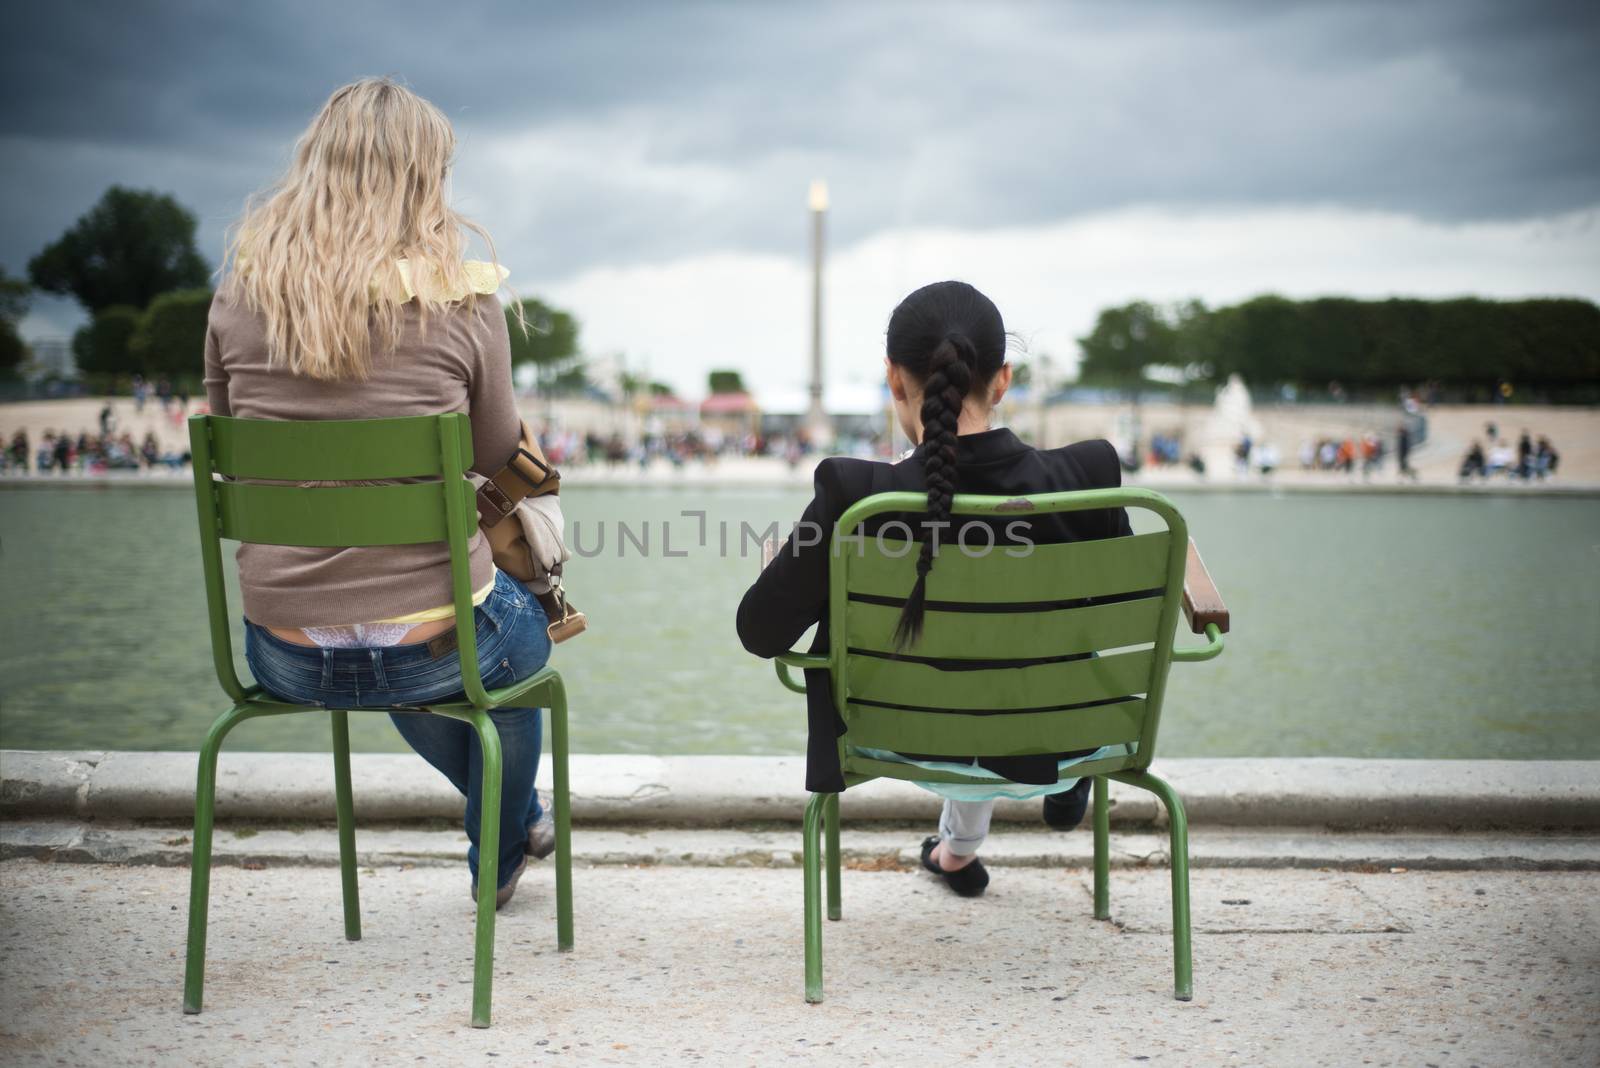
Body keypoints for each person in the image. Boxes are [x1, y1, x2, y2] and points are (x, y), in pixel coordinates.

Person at [207, 78, 554, 909]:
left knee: (413, 651)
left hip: (279, 651)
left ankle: (515, 820)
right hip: (434, 637)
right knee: (515, 643)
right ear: (424, 179)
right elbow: (496, 452)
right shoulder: (463, 300)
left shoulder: (239, 295)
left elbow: (226, 439)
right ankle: (505, 837)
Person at [737, 281, 1132, 897]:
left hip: (898, 734)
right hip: (1054, 723)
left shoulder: (854, 498)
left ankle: (957, 851)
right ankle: (1038, 792)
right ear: (1002, 381)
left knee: (961, 669)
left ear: (895, 380)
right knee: (1008, 664)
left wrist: (784, 565)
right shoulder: (1091, 477)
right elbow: (1114, 611)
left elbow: (761, 634)